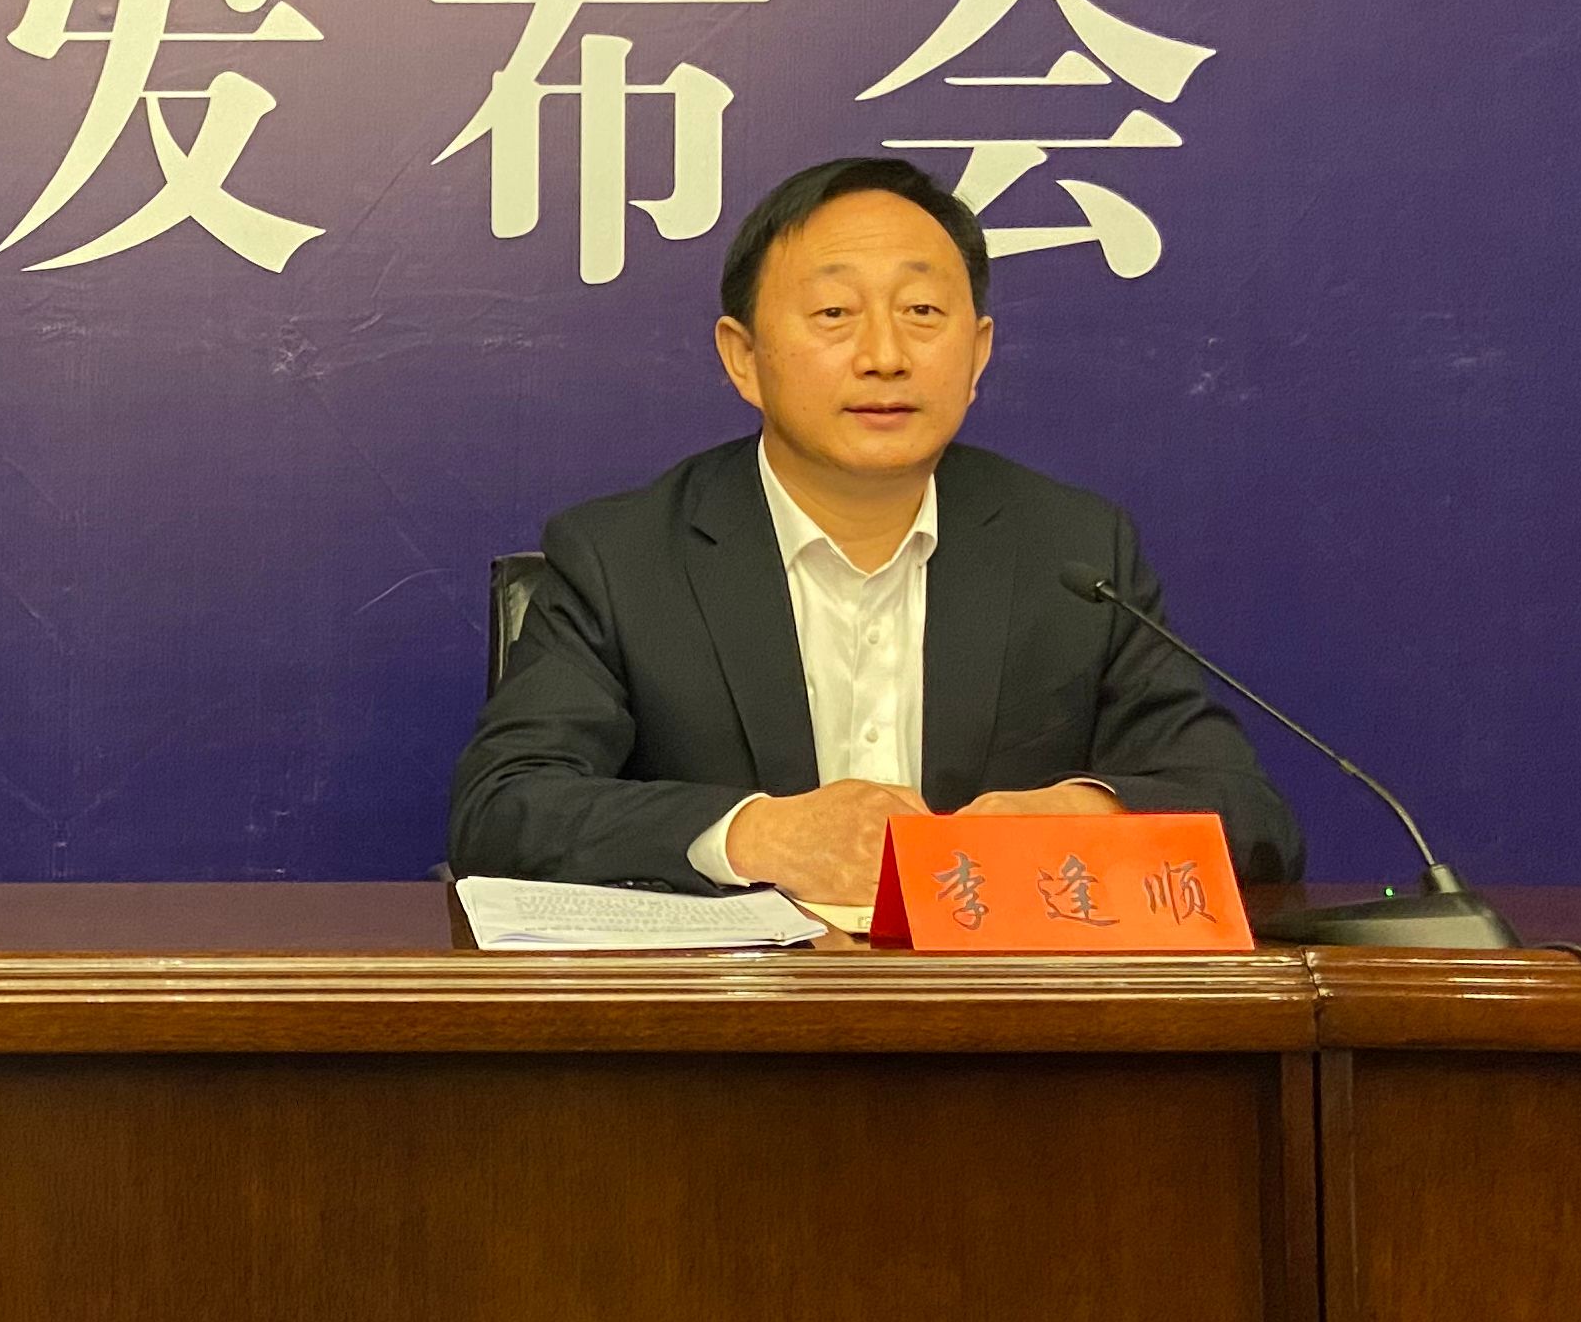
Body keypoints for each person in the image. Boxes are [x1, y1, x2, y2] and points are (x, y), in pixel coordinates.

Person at [448, 156, 1300, 908]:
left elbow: (1252, 819)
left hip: (999, 1016)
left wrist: (1082, 815)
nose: (885, 354)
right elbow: (504, 810)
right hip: (732, 1021)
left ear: (978, 353)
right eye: (834, 313)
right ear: (743, 358)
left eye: (923, 310)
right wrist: (760, 836)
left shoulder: (1073, 552)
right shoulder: (624, 557)